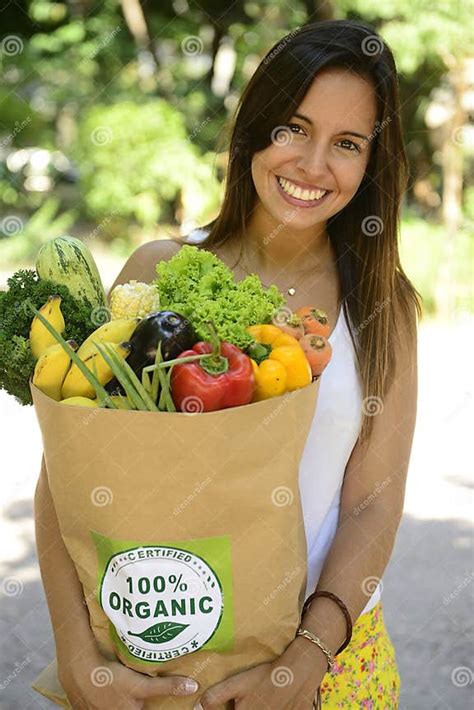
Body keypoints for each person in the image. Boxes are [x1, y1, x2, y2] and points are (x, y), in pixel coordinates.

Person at [34, 18, 421, 709]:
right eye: (293, 128)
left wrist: (307, 657)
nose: (311, 165)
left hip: (328, 663)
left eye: (347, 144)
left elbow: (371, 504)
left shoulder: (381, 306)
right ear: (255, 130)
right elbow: (69, 478)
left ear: (371, 165)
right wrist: (75, 655)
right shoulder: (160, 271)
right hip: (156, 656)